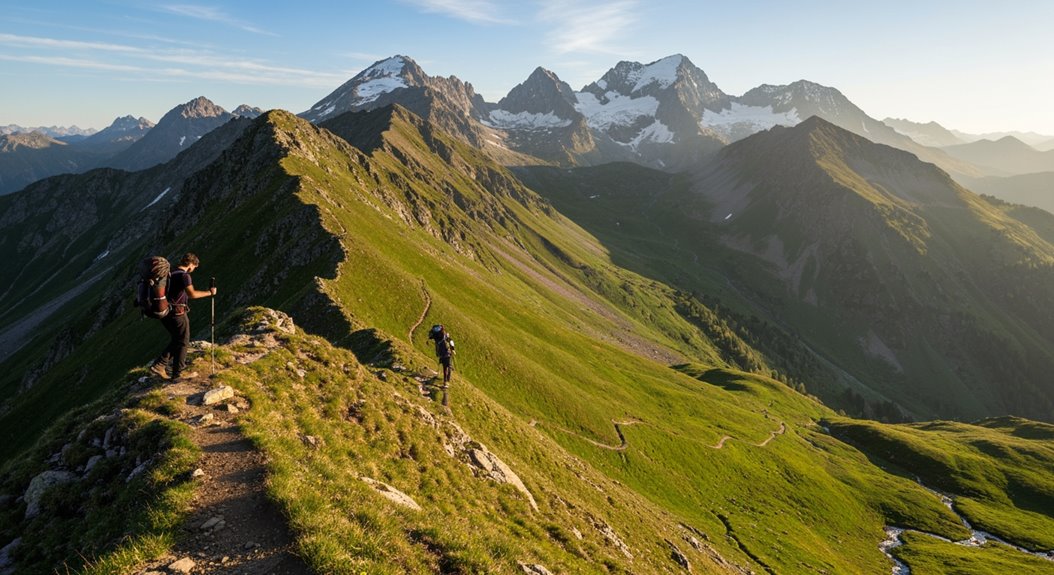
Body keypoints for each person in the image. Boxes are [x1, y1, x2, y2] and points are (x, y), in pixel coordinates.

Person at [150, 253, 216, 380]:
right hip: (177, 312)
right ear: (191, 265)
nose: (193, 270)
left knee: (177, 339)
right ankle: (177, 373)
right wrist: (209, 292)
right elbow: (192, 294)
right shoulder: (184, 276)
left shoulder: (170, 273)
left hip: (164, 311)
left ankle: (160, 365)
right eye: (194, 267)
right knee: (183, 341)